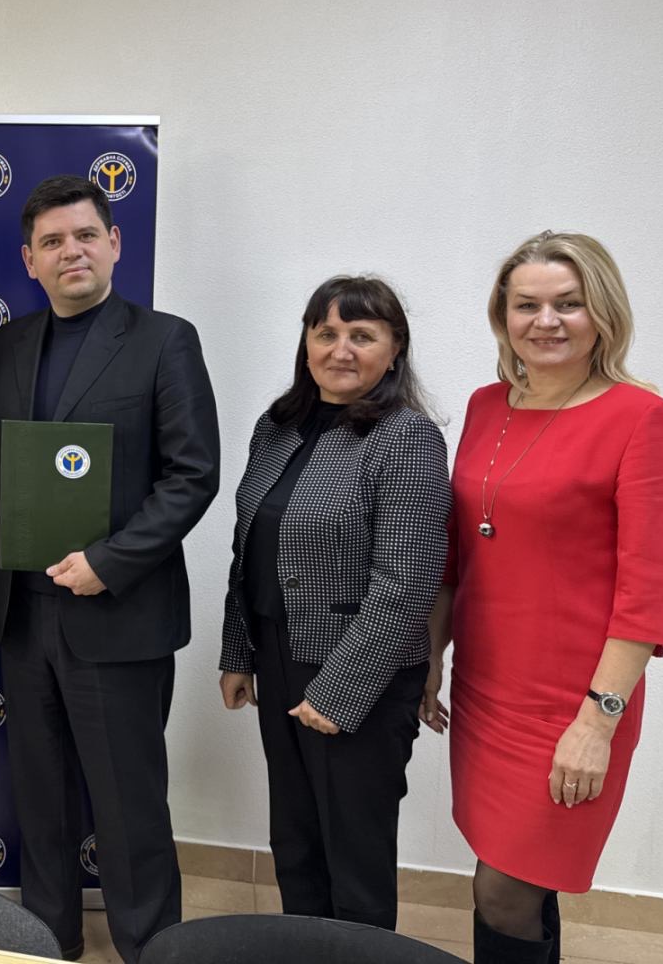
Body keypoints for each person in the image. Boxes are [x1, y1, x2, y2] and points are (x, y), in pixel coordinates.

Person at [0, 174, 220, 964]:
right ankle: (48, 941)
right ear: (29, 260)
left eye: (85, 235)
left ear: (114, 243)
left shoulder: (165, 340)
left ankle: (150, 950)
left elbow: (192, 475)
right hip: (24, 613)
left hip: (118, 613)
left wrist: (109, 562)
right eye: (52, 241)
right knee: (40, 800)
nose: (70, 251)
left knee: (128, 807)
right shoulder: (10, 345)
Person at [424, 232, 663, 963]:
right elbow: (457, 553)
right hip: (486, 686)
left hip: (574, 699)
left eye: (568, 304)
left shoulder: (643, 417)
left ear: (603, 312)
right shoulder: (486, 406)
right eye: (527, 305)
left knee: (503, 890)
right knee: (513, 874)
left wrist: (597, 723)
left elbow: (651, 587)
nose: (546, 321)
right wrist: (432, 657)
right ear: (502, 316)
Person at [217, 276, 450, 931]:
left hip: (361, 675)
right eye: (327, 333)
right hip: (277, 654)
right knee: (294, 841)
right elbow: (248, 550)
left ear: (395, 349)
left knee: (354, 856)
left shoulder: (407, 437)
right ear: (307, 342)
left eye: (362, 335)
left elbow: (406, 584)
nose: (340, 349)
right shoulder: (277, 427)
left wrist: (338, 693)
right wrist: (238, 654)